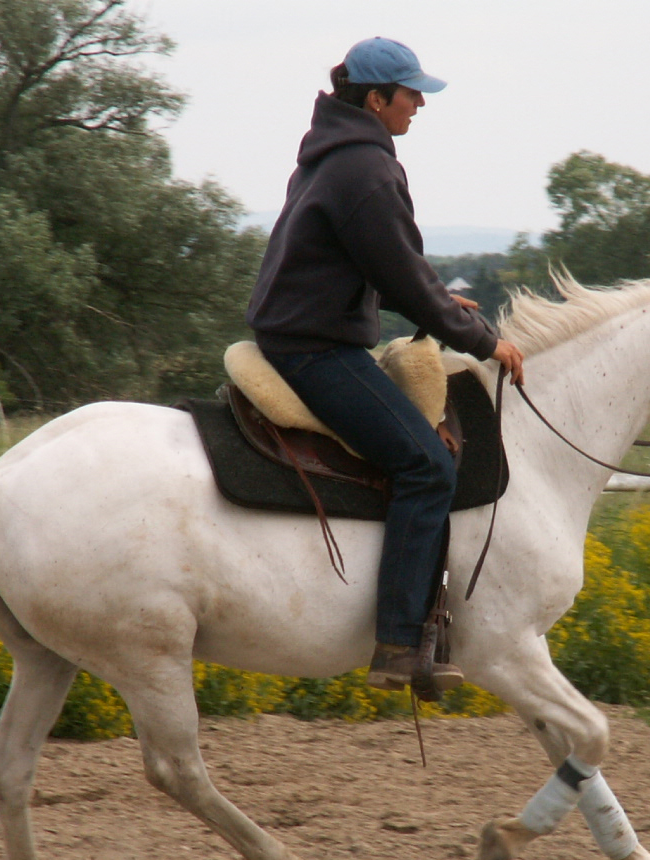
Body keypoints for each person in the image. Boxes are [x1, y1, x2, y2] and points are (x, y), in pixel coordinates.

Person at [247, 36, 526, 694]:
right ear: (375, 99)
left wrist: (433, 299)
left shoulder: (333, 155)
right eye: (410, 93)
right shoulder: (367, 169)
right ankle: (400, 643)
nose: (420, 104)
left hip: (300, 333)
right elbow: (401, 274)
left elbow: (375, 263)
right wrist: (486, 342)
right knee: (427, 465)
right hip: (316, 349)